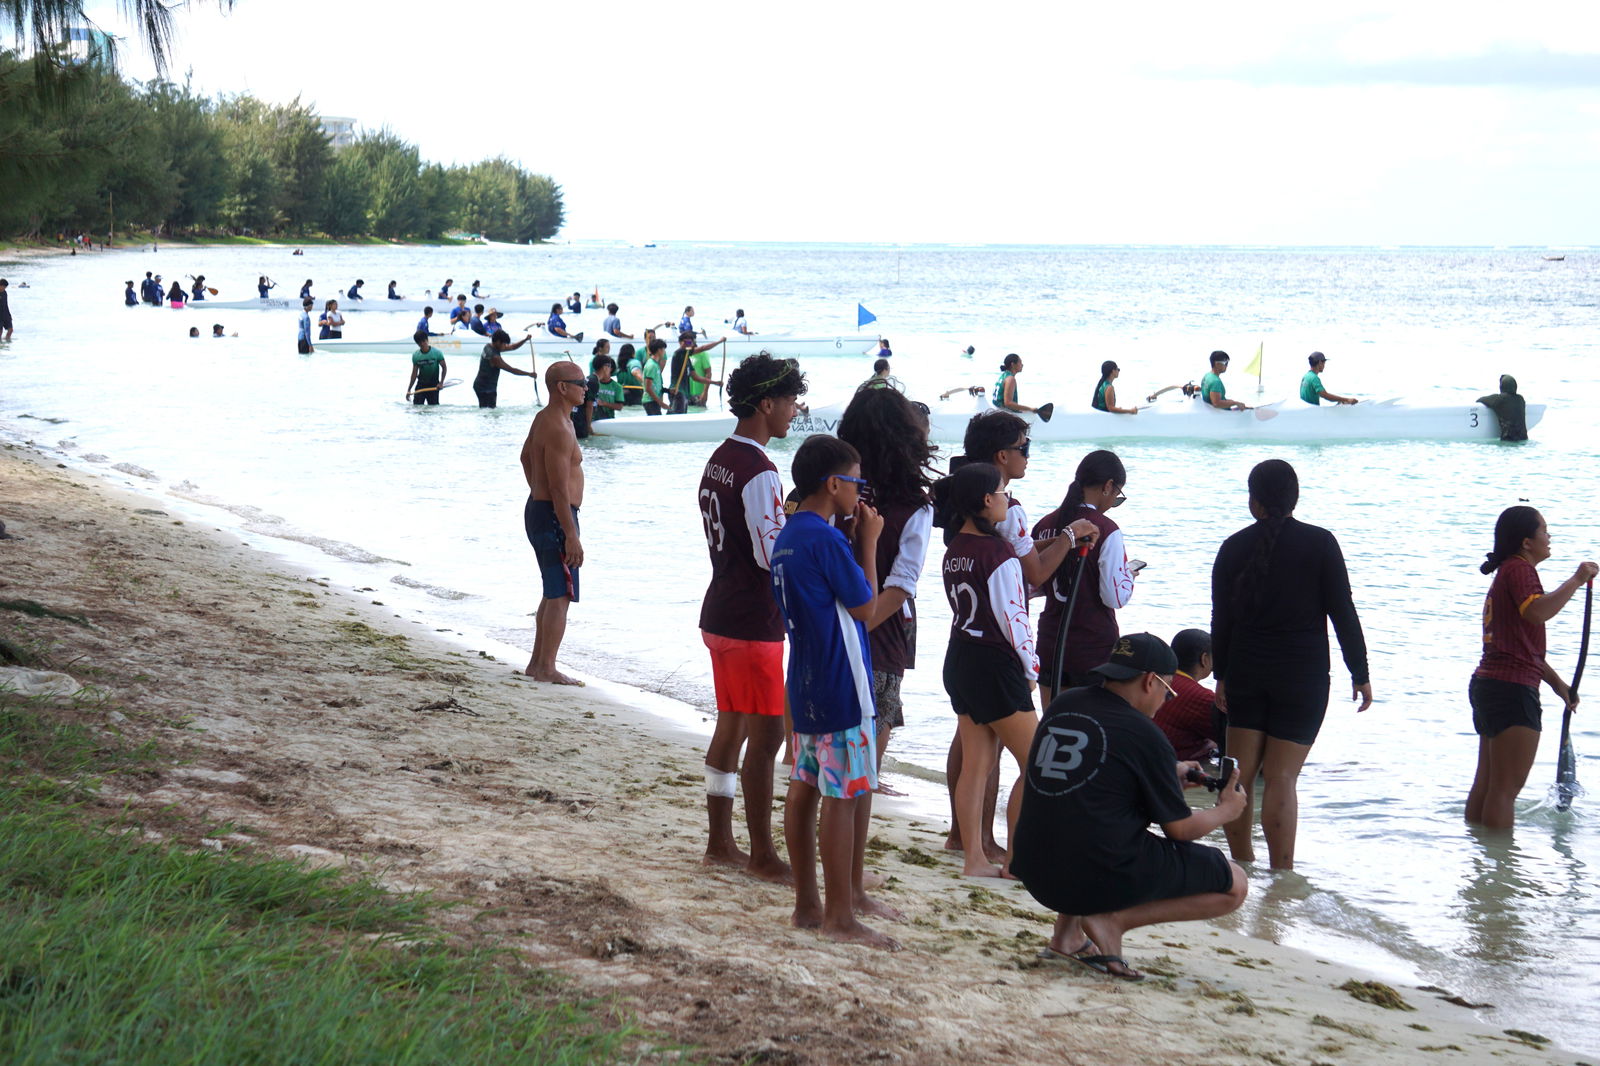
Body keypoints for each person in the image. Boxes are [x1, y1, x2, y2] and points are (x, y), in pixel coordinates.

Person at [1011, 633, 1248, 982]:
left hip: (1033, 866)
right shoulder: (1145, 734)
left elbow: (1095, 779)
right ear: (1151, 681)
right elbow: (1180, 831)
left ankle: (1066, 937)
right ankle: (1113, 921)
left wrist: (1166, 774)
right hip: (1085, 873)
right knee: (1236, 883)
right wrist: (1227, 810)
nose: (1165, 701)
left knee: (1081, 817)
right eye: (1168, 692)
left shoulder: (1065, 703)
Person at [940, 410, 1095, 863]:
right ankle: (1010, 852)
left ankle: (968, 843)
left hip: (962, 646)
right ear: (1001, 457)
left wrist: (1051, 542)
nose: (1029, 455)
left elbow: (1014, 562)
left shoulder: (958, 535)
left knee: (974, 755)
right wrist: (1068, 538)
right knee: (1036, 760)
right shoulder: (1005, 525)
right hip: (997, 655)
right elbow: (1027, 583)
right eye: (1024, 447)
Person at [773, 434, 902, 950]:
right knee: (843, 796)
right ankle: (840, 917)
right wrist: (868, 541)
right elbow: (866, 608)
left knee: (805, 786)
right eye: (856, 483)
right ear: (833, 484)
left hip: (804, 675)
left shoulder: (790, 534)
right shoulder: (828, 540)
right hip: (841, 680)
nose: (860, 493)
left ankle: (808, 904)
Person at [1211, 459, 1372, 869]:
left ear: (1254, 501)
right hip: (1303, 677)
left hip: (1246, 672)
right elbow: (1343, 612)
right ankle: (1281, 875)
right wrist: (1360, 672)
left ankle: (1242, 867)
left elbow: (1221, 620)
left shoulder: (1233, 547)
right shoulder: (1321, 543)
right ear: (1294, 498)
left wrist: (1222, 675)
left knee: (1238, 775)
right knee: (1282, 778)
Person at [697, 352, 809, 883]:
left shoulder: (720, 457)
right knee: (766, 741)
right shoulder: (761, 470)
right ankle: (762, 853)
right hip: (751, 619)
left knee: (732, 727)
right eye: (789, 401)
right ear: (766, 404)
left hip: (721, 608)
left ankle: (721, 843)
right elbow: (771, 555)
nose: (794, 411)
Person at [934, 462, 1041, 878]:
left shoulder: (954, 549)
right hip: (995, 663)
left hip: (961, 656)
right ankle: (1017, 859)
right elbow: (1014, 618)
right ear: (985, 500)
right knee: (1037, 764)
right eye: (1002, 493)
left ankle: (974, 858)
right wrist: (1031, 669)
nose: (1007, 501)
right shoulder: (999, 553)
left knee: (976, 766)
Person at [1466, 507, 1597, 828]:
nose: (1549, 537)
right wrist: (1577, 580)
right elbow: (1537, 612)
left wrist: (1558, 685)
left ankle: (1479, 852)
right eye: (1544, 531)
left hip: (1490, 685)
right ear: (1527, 542)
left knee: (1487, 784)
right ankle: (1502, 858)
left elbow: (1522, 647)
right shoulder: (1520, 569)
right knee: (1504, 791)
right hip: (1511, 689)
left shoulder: (1508, 572)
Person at [838, 386, 937, 782]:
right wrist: (857, 629)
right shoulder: (916, 506)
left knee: (820, 770)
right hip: (879, 642)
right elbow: (900, 587)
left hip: (826, 632)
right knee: (862, 776)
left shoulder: (837, 490)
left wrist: (837, 630)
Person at [1032, 450, 1137, 701]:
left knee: (1054, 722)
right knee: (1089, 723)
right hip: (1093, 648)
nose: (1113, 503)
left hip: (1050, 642)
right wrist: (1129, 576)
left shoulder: (1045, 525)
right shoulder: (1105, 529)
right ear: (1108, 486)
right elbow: (1114, 597)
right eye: (1117, 495)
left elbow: (1030, 584)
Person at [518, 362, 588, 686]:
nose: (586, 388)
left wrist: (537, 490)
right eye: (581, 383)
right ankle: (547, 667)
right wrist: (571, 535)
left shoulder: (547, 418)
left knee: (553, 591)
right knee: (561, 594)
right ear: (562, 387)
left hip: (541, 510)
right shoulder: (559, 427)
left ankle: (537, 663)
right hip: (555, 516)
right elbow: (559, 489)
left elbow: (525, 457)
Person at [1155, 629, 1222, 761]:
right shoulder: (1202, 698)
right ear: (1204, 659)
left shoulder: (1156, 680)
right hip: (1172, 762)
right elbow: (1231, 736)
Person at [473, 329, 537, 408]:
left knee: (487, 411)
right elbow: (512, 370)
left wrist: (525, 340)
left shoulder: (489, 346)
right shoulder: (495, 357)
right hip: (486, 388)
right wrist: (529, 374)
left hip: (481, 385)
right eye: (504, 344)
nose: (505, 346)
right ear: (498, 342)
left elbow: (512, 347)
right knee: (490, 411)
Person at [669, 331, 726, 413]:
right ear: (680, 342)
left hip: (684, 394)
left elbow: (696, 377)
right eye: (687, 342)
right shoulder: (678, 353)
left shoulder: (687, 359)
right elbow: (702, 348)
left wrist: (714, 382)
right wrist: (719, 341)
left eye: (690, 343)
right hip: (677, 392)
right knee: (676, 416)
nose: (689, 345)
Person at [1477, 374, 1529, 442]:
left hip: (1508, 440)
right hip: (1523, 438)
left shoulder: (1500, 399)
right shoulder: (1521, 399)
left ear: (1502, 387)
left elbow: (1480, 400)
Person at [407, 331, 447, 405]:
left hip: (434, 385)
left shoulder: (437, 353)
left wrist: (441, 383)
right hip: (421, 385)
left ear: (427, 340)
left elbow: (444, 368)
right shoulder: (416, 355)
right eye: (419, 343)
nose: (422, 344)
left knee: (433, 409)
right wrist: (409, 389)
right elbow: (414, 374)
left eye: (423, 341)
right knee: (417, 408)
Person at [587, 354, 623, 424]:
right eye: (609, 366)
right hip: (592, 419)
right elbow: (589, 405)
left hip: (607, 419)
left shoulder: (617, 387)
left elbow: (620, 407)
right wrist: (588, 425)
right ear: (605, 367)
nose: (610, 369)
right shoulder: (593, 382)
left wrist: (603, 403)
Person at [640, 338, 668, 415]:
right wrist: (660, 403)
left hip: (654, 400)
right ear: (659, 350)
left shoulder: (656, 364)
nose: (664, 352)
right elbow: (648, 388)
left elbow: (656, 385)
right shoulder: (651, 365)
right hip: (650, 401)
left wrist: (668, 391)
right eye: (663, 349)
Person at [616, 342, 644, 407]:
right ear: (633, 353)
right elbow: (635, 372)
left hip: (621, 396)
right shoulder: (634, 362)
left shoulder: (618, 365)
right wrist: (648, 384)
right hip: (636, 396)